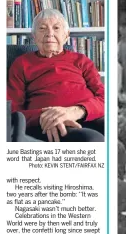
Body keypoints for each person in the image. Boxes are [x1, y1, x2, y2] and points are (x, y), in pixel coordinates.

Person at [7, 8, 105, 142]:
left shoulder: (81, 60)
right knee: (92, 140)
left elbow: (105, 98)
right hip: (46, 125)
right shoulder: (21, 64)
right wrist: (46, 117)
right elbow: (13, 112)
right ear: (34, 36)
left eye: (56, 28)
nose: (49, 34)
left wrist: (75, 111)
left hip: (87, 115)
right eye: (42, 28)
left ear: (66, 35)